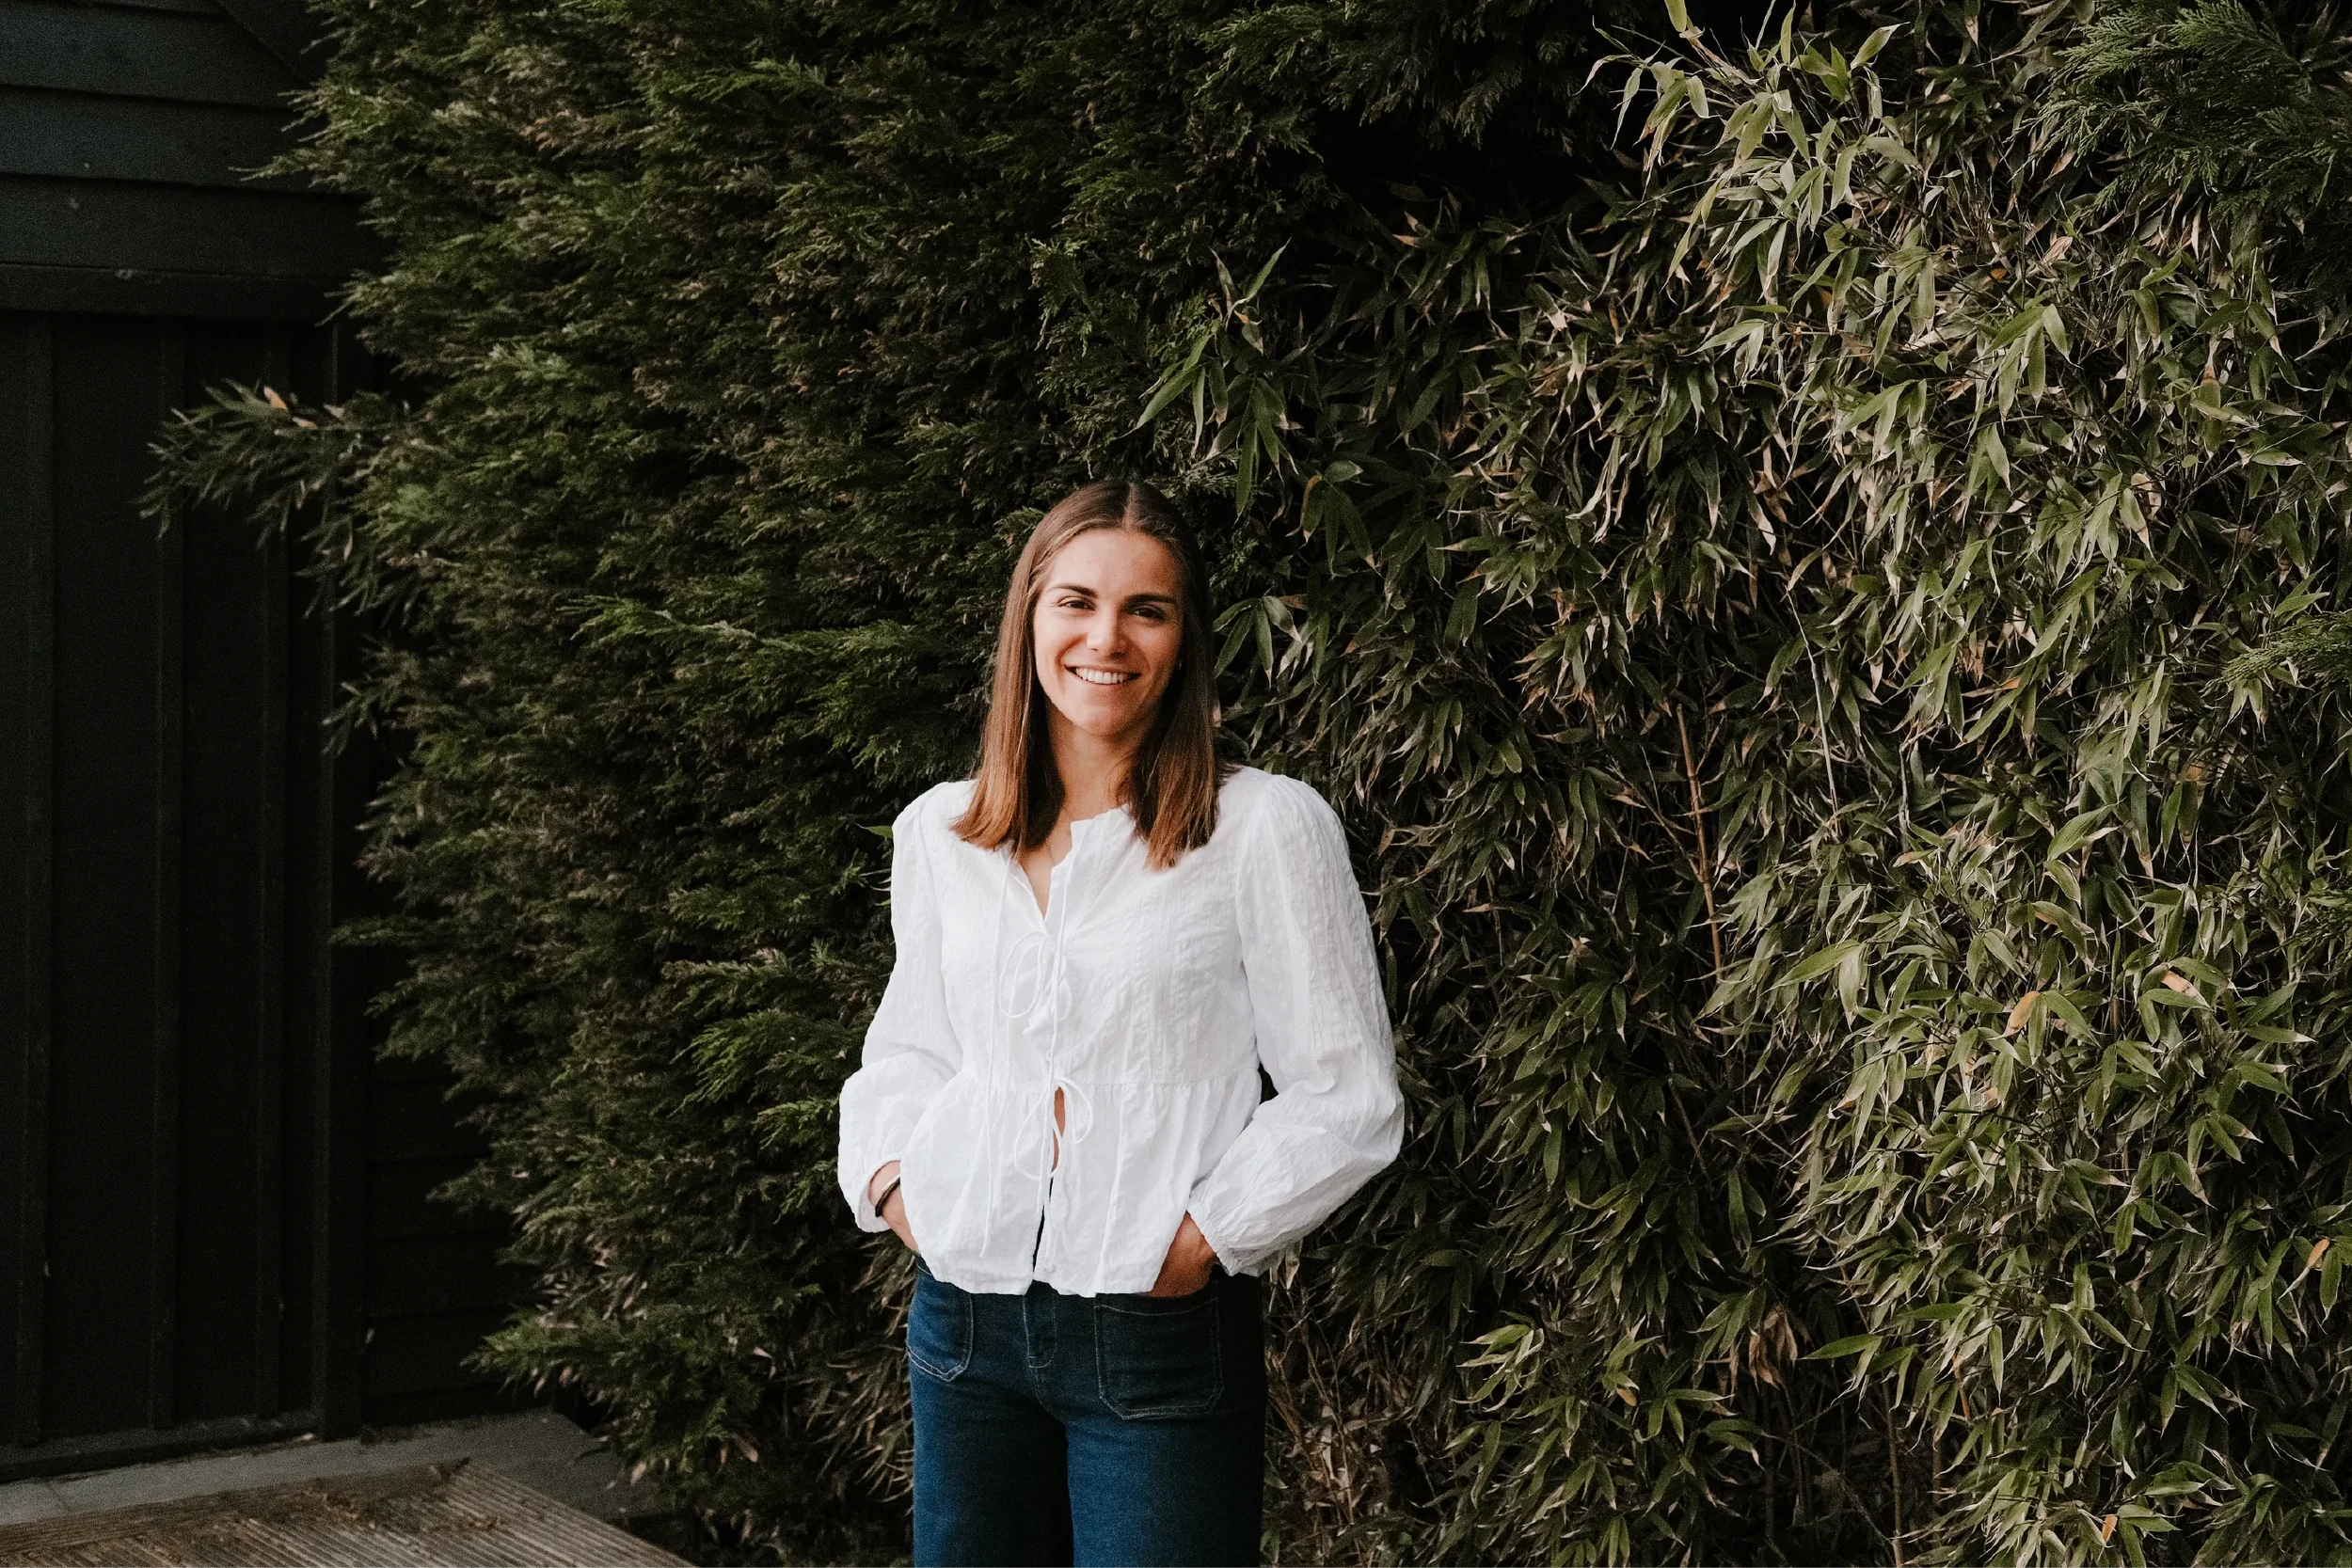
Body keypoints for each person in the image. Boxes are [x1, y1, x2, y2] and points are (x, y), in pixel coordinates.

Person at [837, 478, 1403, 1568]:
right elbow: (908, 1049)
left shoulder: (1263, 828)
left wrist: (1193, 1242)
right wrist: (905, 1195)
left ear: (1185, 639)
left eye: (1147, 608)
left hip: (1156, 1336)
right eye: (1076, 602)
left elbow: (1348, 1095)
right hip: (962, 1325)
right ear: (1029, 620)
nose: (1108, 636)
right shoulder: (941, 834)